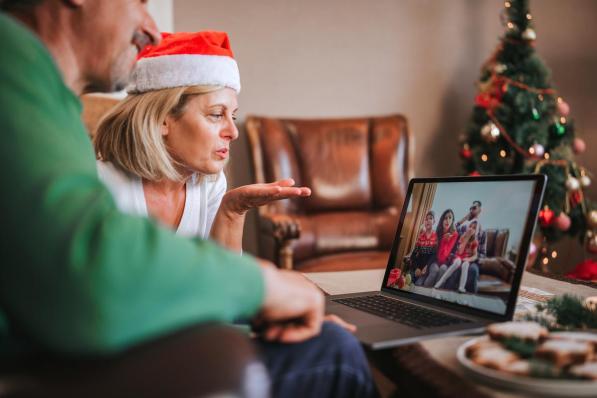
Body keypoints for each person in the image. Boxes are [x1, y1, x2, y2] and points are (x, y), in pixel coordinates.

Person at [0, 1, 377, 397]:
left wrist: (250, 285)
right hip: (51, 361)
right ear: (163, 120)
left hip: (65, 348)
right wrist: (264, 286)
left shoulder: (44, 94)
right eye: (140, 2)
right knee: (336, 355)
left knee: (326, 344)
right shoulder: (14, 71)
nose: (151, 29)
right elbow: (95, 272)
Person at [93, 31, 311, 253]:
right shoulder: (98, 186)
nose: (233, 132)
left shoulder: (210, 185)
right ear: (162, 120)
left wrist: (232, 210)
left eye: (232, 116)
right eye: (216, 115)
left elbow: (224, 284)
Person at [434, 220, 479, 293]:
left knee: (466, 265)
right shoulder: (463, 237)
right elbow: (460, 252)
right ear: (467, 227)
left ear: (476, 231)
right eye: (470, 226)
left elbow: (475, 255)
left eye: (474, 228)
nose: (471, 229)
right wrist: (467, 237)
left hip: (466, 259)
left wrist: (468, 259)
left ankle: (461, 287)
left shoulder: (475, 242)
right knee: (457, 262)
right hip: (458, 257)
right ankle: (441, 281)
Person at [418, 209, 459, 287]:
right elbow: (436, 254)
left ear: (452, 220)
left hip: (446, 262)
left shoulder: (455, 234)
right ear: (442, 220)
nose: (447, 220)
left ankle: (435, 293)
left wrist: (445, 241)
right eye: (445, 218)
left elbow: (447, 254)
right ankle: (424, 292)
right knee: (434, 270)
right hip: (436, 260)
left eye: (450, 218)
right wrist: (443, 240)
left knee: (443, 269)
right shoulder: (437, 233)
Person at [407, 211, 437, 286]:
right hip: (418, 267)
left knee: (418, 284)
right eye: (426, 219)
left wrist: (427, 267)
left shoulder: (436, 237)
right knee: (407, 280)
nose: (428, 220)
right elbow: (413, 255)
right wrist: (416, 268)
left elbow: (434, 256)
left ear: (434, 222)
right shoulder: (421, 237)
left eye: (430, 218)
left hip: (427, 268)